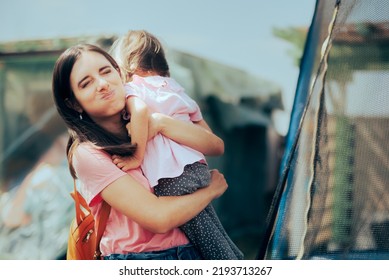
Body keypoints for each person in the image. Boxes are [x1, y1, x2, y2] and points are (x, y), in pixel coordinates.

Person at [51, 43, 229, 260]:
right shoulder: (88, 154)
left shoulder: (148, 116)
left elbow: (215, 145)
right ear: (74, 104)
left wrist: (161, 123)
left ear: (119, 73)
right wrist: (211, 190)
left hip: (191, 252)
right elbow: (158, 218)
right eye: (86, 83)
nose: (103, 84)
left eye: (106, 71)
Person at [109, 30, 244, 260]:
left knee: (206, 240)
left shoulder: (134, 89)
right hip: (198, 171)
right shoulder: (175, 88)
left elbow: (140, 112)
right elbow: (213, 142)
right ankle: (237, 259)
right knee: (211, 228)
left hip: (172, 179)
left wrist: (136, 157)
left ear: (126, 64)